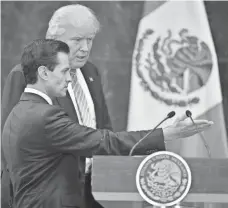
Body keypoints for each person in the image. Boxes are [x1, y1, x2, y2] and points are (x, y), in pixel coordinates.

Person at [2, 39, 213, 208]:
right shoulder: (45, 116)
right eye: (65, 71)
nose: (69, 78)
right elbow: (103, 142)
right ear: (44, 73)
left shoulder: (18, 112)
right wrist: (166, 134)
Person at [1, 4, 112, 208]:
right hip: (50, 193)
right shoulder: (25, 75)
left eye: (90, 40)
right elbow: (9, 146)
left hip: (94, 189)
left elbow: (103, 128)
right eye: (77, 40)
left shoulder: (91, 72)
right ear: (54, 39)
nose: (85, 48)